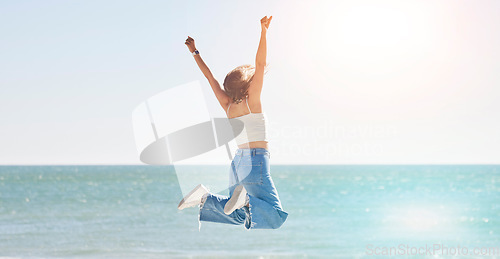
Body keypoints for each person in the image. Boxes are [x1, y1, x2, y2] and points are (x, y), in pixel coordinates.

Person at [178, 16, 288, 230]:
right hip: (256, 161)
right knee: (273, 216)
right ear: (247, 86)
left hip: (238, 163)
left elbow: (210, 78)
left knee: (239, 215)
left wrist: (194, 52)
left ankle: (205, 198)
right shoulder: (252, 102)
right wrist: (264, 31)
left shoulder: (227, 105)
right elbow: (260, 64)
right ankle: (245, 199)